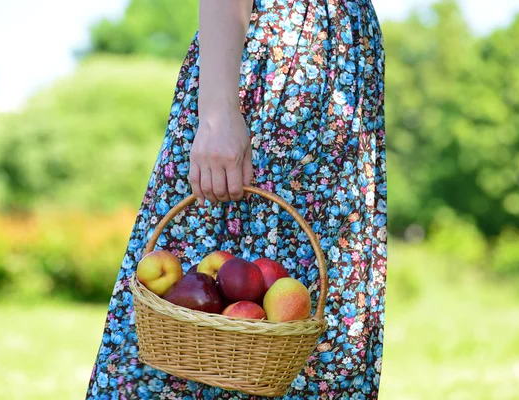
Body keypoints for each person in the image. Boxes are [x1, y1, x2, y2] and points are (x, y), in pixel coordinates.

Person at [86, 0, 386, 398]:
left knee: (310, 325)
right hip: (283, 63)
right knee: (200, 310)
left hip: (343, 66)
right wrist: (217, 113)